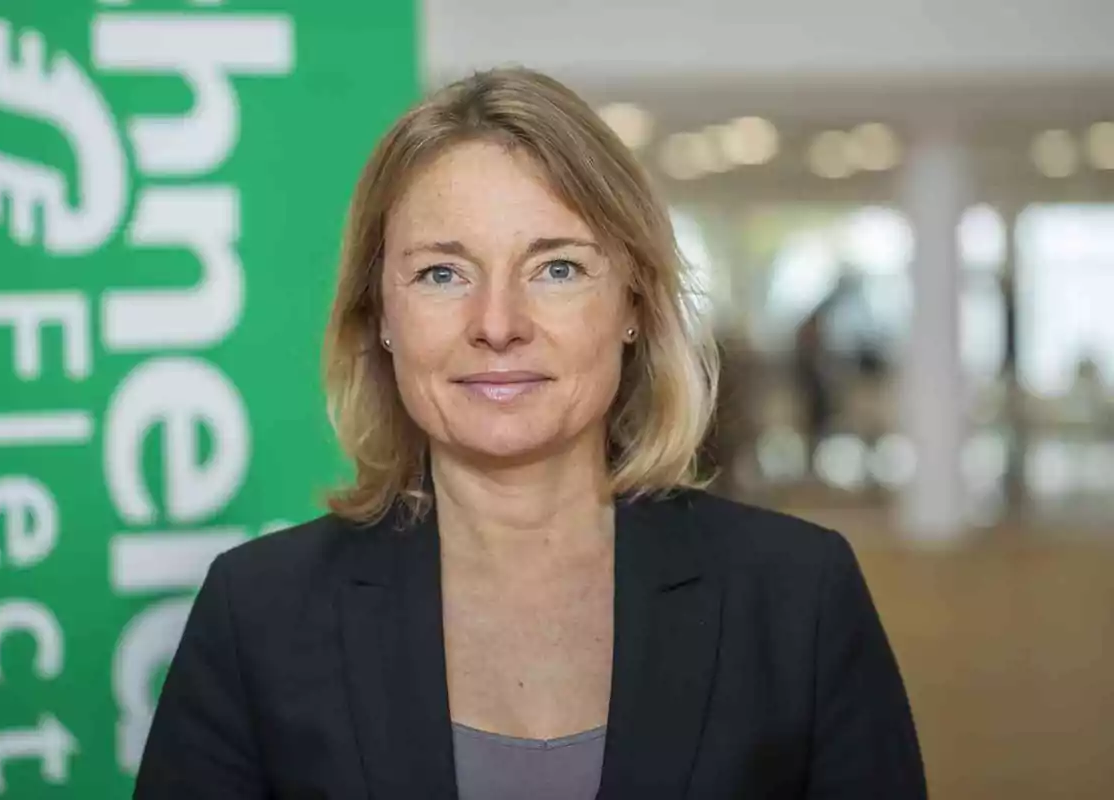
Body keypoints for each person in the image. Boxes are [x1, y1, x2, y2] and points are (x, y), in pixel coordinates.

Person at [133, 67, 926, 799]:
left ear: (634, 305)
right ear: (379, 316)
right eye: (443, 273)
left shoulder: (797, 597)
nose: (498, 325)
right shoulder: (258, 614)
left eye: (557, 269)